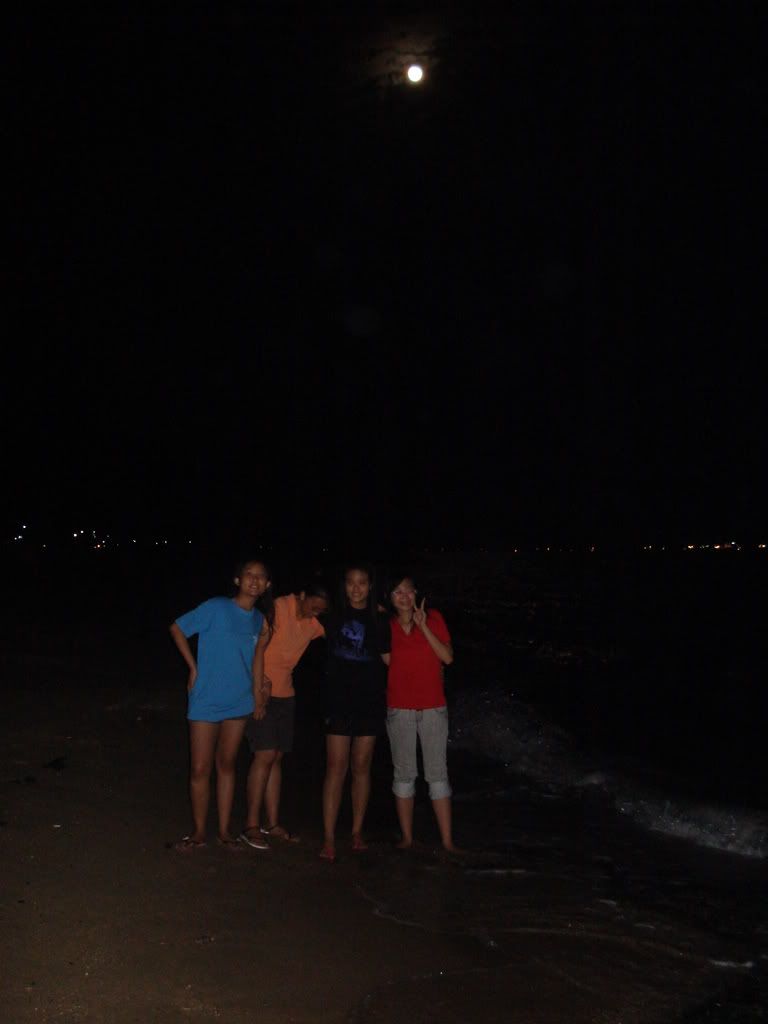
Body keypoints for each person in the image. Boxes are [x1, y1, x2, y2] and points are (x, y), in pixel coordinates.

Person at [169, 559, 272, 851]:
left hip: (239, 699)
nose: (254, 580)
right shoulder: (216, 607)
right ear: (238, 580)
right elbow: (177, 628)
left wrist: (259, 692)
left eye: (261, 577)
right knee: (200, 768)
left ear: (267, 585)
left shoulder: (259, 620)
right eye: (249, 574)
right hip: (207, 697)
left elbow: (257, 658)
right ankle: (199, 832)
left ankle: (225, 831)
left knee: (227, 765)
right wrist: (192, 667)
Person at [240, 583, 329, 849]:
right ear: (302, 594)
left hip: (286, 694)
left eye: (321, 610)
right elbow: (251, 644)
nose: (315, 612)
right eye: (313, 605)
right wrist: (258, 686)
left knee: (276, 757)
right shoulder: (278, 608)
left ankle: (271, 822)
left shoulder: (313, 624)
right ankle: (250, 825)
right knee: (264, 754)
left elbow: (345, 625)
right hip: (260, 690)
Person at [383, 574, 460, 852]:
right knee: (404, 774)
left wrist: (423, 626)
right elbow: (387, 661)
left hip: (433, 708)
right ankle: (407, 838)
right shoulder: (386, 626)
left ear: (417, 593)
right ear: (389, 598)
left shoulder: (434, 618)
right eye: (397, 592)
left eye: (408, 591)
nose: (404, 597)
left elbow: (447, 658)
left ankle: (448, 842)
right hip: (399, 709)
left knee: (437, 774)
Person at [320, 564, 390, 862]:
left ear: (370, 585)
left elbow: (391, 659)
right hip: (337, 701)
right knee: (336, 767)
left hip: (370, 702)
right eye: (351, 582)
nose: (356, 588)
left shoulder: (381, 619)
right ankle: (328, 836)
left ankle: (357, 831)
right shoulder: (331, 615)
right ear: (344, 585)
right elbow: (300, 618)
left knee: (362, 766)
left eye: (362, 582)